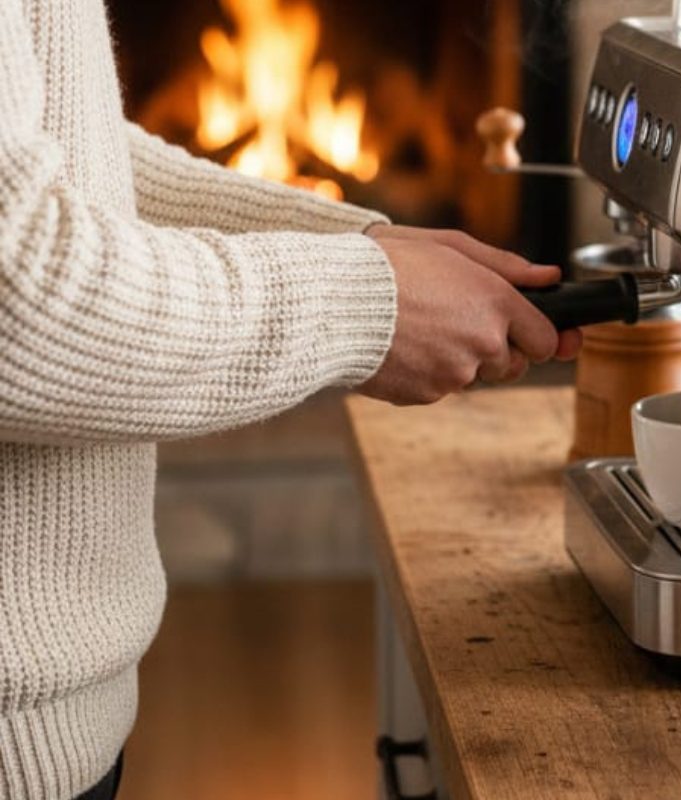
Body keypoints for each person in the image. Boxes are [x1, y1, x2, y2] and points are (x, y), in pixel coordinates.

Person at [0, 1, 582, 798]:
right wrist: (367, 305)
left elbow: (76, 159)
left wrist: (359, 243)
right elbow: (18, 299)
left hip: (54, 721)